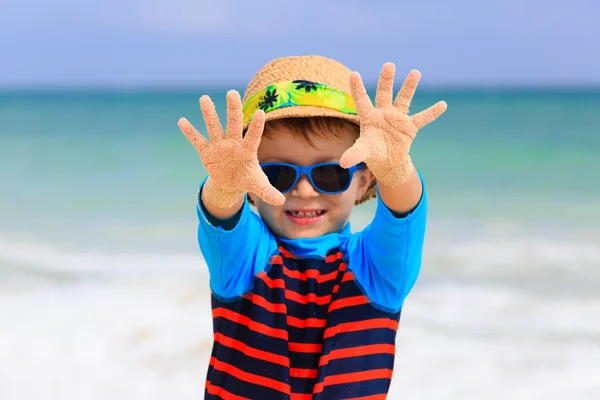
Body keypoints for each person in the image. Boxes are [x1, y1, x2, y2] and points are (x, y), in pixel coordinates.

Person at [178, 55, 447, 399]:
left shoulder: (377, 269)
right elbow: (220, 214)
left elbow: (403, 214)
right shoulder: (245, 259)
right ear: (251, 181)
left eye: (329, 173)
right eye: (278, 173)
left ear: (364, 180)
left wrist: (395, 168)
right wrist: (225, 186)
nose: (304, 191)